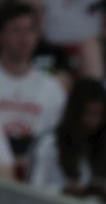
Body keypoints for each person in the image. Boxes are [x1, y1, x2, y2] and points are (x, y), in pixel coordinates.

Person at [30, 78, 106, 204]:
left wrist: (105, 192)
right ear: (75, 112)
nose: (94, 122)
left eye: (99, 115)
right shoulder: (49, 144)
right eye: (89, 113)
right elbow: (34, 190)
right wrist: (63, 190)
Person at [0, 2, 65, 174]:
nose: (24, 38)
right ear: (2, 35)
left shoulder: (52, 88)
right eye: (16, 30)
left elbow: (55, 141)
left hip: (36, 174)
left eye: (30, 30)